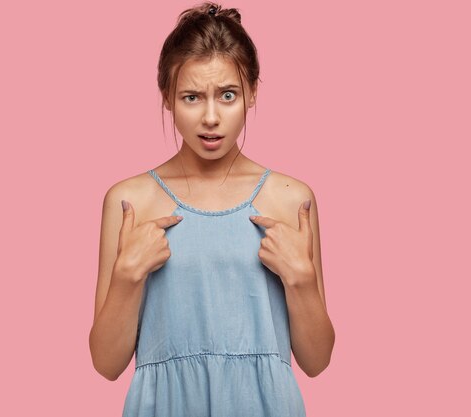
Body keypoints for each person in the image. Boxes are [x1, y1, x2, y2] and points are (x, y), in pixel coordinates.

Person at [89, 2, 335, 415]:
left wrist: (302, 281)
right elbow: (106, 364)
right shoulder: (129, 202)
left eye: (227, 95)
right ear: (166, 98)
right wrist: (128, 276)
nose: (210, 117)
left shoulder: (291, 199)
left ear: (252, 92)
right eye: (191, 96)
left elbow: (317, 361)